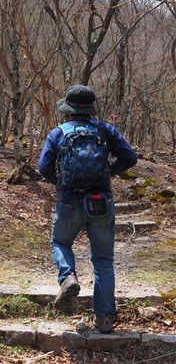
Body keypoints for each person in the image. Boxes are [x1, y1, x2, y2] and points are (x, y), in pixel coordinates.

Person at [38, 85, 137, 334]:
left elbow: (44, 167)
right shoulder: (105, 130)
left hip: (69, 201)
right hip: (101, 201)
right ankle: (104, 319)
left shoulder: (58, 133)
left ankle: (68, 278)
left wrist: (62, 182)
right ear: (91, 108)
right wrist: (109, 170)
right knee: (103, 261)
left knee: (60, 242)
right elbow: (130, 157)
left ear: (68, 110)